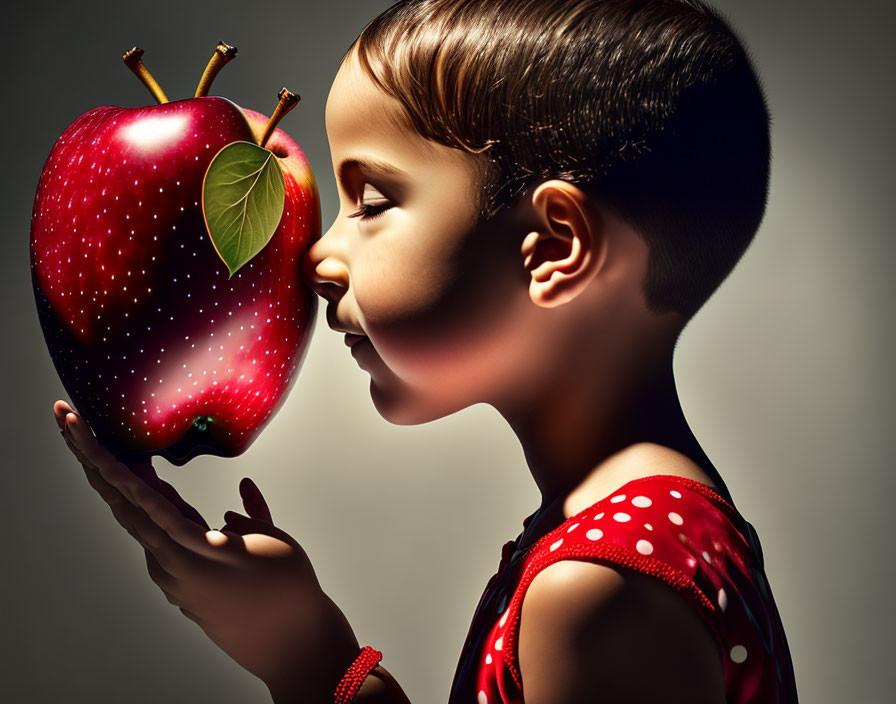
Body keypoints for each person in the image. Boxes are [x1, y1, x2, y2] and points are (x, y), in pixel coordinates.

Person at [54, 0, 798, 702]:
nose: (318, 255)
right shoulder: (651, 533)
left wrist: (305, 655)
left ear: (553, 248)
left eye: (371, 202)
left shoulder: (604, 588)